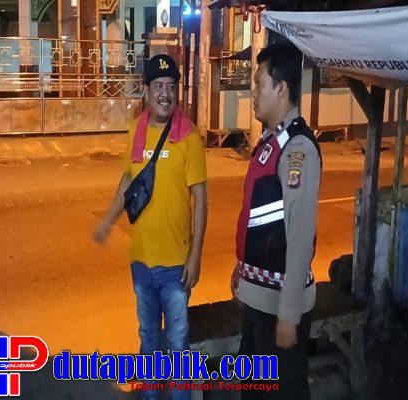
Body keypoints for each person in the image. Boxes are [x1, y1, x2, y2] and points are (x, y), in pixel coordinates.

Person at [93, 54, 208, 400]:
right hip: (142, 261)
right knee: (148, 340)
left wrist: (195, 257)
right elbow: (128, 179)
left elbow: (200, 198)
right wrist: (108, 220)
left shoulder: (189, 137)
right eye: (158, 86)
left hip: (175, 265)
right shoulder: (136, 130)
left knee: (177, 344)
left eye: (171, 86)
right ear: (145, 91)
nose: (165, 94)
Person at [231, 43, 321, 400]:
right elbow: (258, 217)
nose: (253, 93)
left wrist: (289, 313)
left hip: (279, 306)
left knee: (284, 393)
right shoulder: (272, 142)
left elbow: (299, 236)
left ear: (281, 88)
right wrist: (242, 269)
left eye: (259, 83)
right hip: (260, 298)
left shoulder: (297, 149)